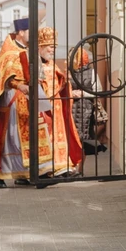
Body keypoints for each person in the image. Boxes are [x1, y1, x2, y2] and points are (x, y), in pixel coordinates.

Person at [0, 18, 45, 187]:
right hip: (12, 98)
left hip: (29, 99)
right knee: (11, 136)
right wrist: (19, 85)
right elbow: (3, 77)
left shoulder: (30, 50)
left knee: (29, 136)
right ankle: (1, 174)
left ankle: (24, 173)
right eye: (30, 32)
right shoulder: (9, 52)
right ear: (21, 32)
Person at [38, 27, 84, 176]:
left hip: (56, 107)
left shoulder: (51, 64)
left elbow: (59, 84)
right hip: (43, 109)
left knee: (59, 135)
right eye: (50, 47)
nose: (53, 50)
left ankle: (62, 165)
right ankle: (47, 168)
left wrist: (65, 81)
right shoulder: (36, 64)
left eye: (54, 47)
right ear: (41, 46)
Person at [70, 49, 108, 156]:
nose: (69, 59)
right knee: (71, 139)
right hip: (70, 108)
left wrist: (83, 93)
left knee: (83, 139)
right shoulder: (68, 72)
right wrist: (71, 93)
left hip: (85, 110)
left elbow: (98, 92)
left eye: (72, 57)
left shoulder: (91, 73)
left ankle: (80, 164)